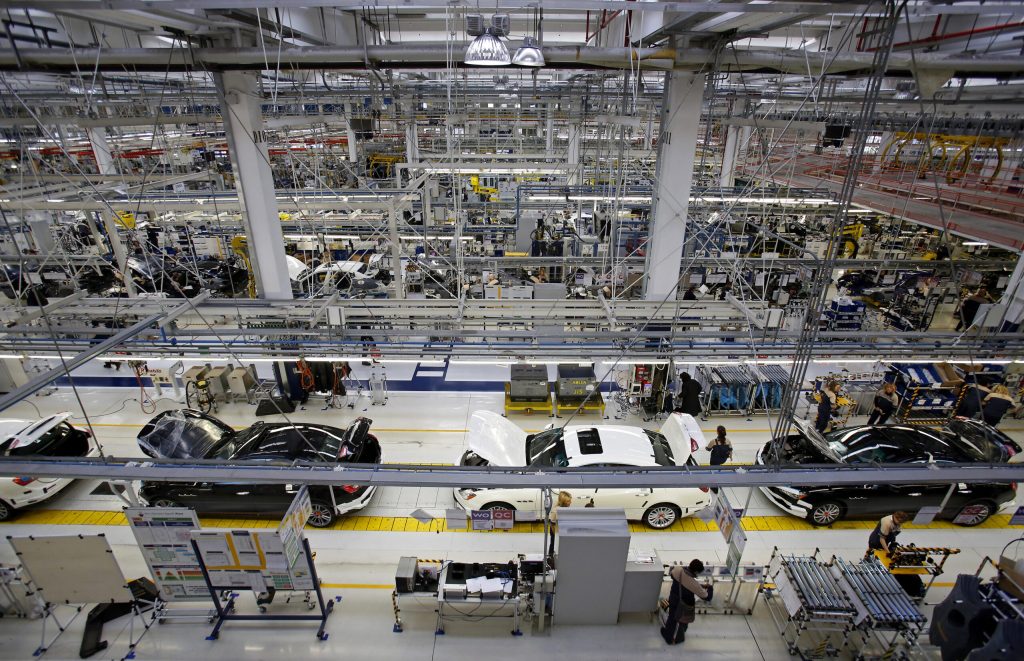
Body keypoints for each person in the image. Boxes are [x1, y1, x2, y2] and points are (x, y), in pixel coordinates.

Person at [661, 559, 713, 645]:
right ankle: (679, 639)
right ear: (696, 571)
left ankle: (668, 636)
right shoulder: (694, 584)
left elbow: (673, 577)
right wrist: (710, 588)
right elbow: (707, 597)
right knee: (683, 621)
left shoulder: (678, 570)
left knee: (672, 618)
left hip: (673, 599)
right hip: (684, 606)